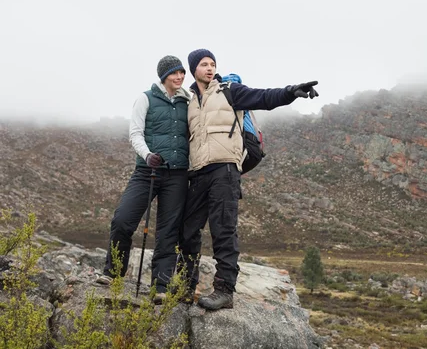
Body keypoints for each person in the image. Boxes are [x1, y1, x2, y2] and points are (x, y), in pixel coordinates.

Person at [179, 49, 318, 310]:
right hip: (197, 172)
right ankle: (186, 285)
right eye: (203, 64)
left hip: (225, 170)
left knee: (223, 230)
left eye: (212, 64)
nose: (209, 68)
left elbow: (264, 97)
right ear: (193, 69)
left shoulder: (229, 90)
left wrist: (290, 92)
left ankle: (224, 291)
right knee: (187, 232)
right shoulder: (187, 100)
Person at [97, 55, 191, 305]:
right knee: (123, 219)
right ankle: (113, 272)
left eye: (182, 72)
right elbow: (135, 133)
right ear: (163, 76)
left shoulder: (188, 100)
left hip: (178, 174)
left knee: (168, 231)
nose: (180, 77)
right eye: (174, 73)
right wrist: (148, 154)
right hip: (147, 171)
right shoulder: (145, 98)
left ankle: (161, 285)